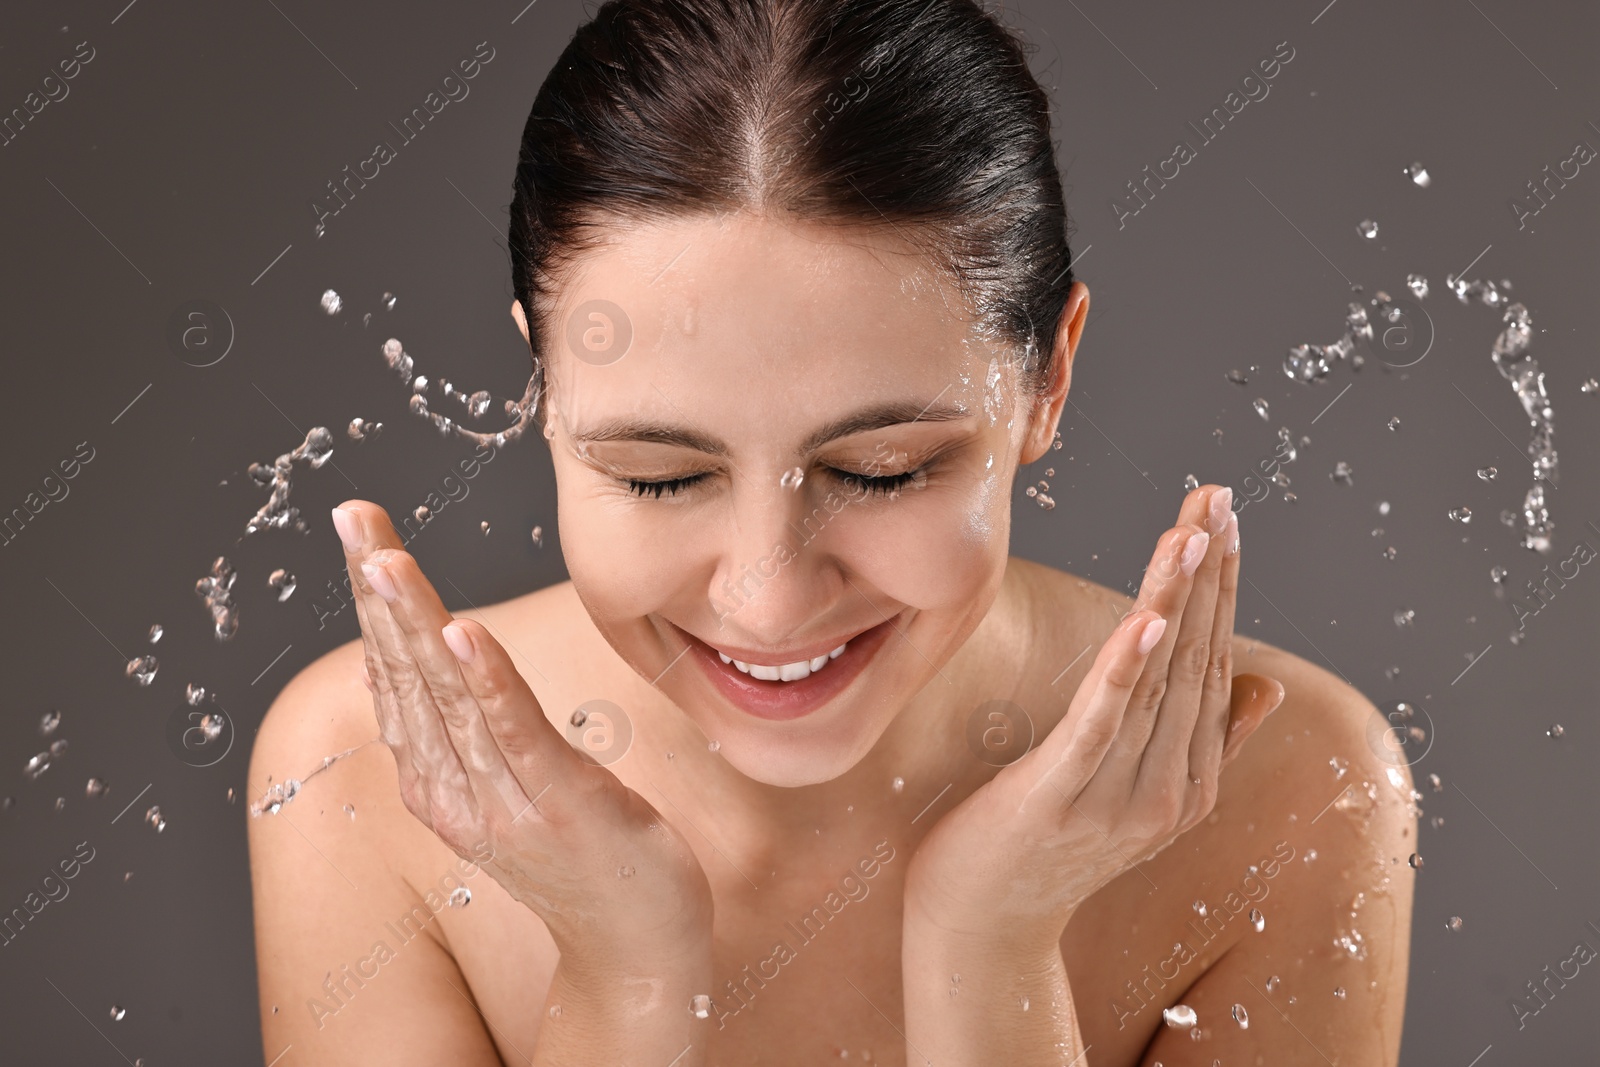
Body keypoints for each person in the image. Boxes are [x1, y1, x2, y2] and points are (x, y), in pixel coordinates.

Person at [247, 1, 1416, 1063]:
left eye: (880, 468)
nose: (768, 599)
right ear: (544, 389)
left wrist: (992, 943)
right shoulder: (367, 777)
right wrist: (627, 971)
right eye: (659, 476)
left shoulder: (1286, 789)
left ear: (1048, 377)